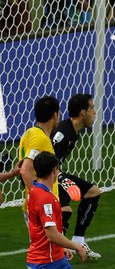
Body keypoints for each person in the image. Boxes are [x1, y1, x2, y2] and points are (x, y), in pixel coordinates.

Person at [51, 93, 101, 259]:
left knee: (93, 192)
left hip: (55, 174)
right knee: (65, 211)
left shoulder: (73, 131)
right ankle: (56, 250)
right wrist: (62, 179)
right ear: (83, 113)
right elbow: (44, 159)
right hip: (46, 177)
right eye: (92, 108)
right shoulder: (63, 133)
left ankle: (78, 241)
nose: (94, 112)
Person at [26, 152, 88, 269]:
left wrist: (60, 248)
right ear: (54, 170)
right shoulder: (44, 198)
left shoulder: (36, 190)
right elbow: (52, 235)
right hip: (43, 263)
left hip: (57, 258)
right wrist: (77, 247)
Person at [19, 96, 61, 224]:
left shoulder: (30, 133)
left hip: (39, 206)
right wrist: (41, 198)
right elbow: (25, 170)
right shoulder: (40, 139)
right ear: (54, 115)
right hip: (43, 209)